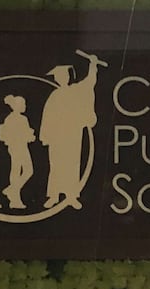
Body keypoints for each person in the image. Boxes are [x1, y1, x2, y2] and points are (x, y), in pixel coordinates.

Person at [39, 51, 106, 210]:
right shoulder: (54, 96)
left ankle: (71, 196)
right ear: (56, 79)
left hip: (73, 134)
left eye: (65, 76)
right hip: (57, 136)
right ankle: (54, 196)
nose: (62, 78)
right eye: (59, 77)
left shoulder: (76, 91)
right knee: (55, 164)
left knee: (72, 163)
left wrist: (93, 65)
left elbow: (90, 82)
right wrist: (46, 135)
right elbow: (47, 117)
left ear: (69, 77)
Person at [0, 96, 36, 210]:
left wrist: (30, 136)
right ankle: (15, 199)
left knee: (29, 170)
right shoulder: (10, 119)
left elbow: (26, 132)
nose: (25, 106)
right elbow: (9, 134)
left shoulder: (23, 119)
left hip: (23, 146)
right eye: (23, 104)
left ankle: (12, 190)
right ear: (16, 106)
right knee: (16, 170)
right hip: (16, 147)